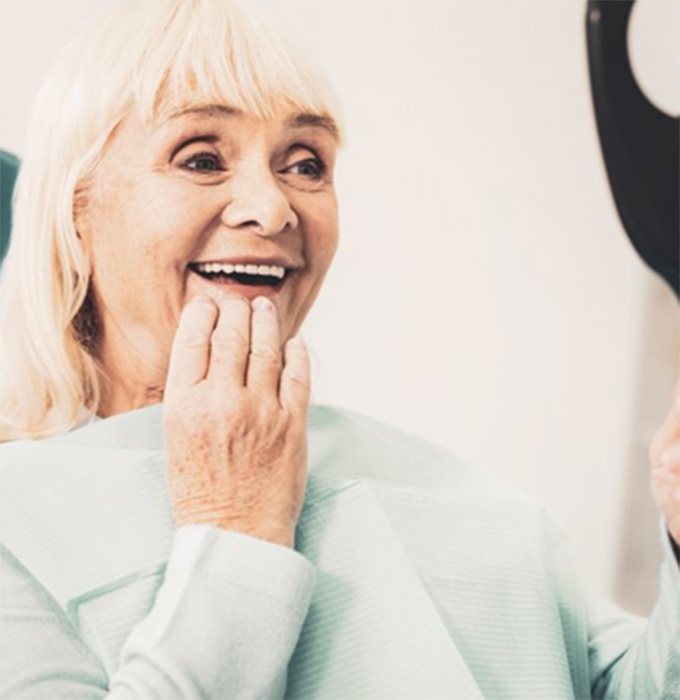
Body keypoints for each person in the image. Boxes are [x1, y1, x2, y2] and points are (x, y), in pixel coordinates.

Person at [0, 0, 678, 698]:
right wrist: (237, 532)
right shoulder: (14, 522)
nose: (272, 207)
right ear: (75, 211)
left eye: (305, 163)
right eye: (201, 158)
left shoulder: (453, 490)